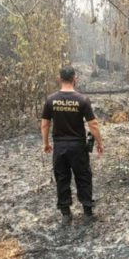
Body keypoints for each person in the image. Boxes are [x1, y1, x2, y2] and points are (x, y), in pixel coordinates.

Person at [41, 65, 104, 226]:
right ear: (75, 78)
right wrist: (99, 142)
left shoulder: (51, 100)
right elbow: (93, 124)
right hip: (78, 146)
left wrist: (46, 143)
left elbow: (45, 124)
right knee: (83, 176)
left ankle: (66, 214)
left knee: (62, 178)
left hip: (60, 146)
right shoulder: (82, 100)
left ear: (59, 79)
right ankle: (88, 213)